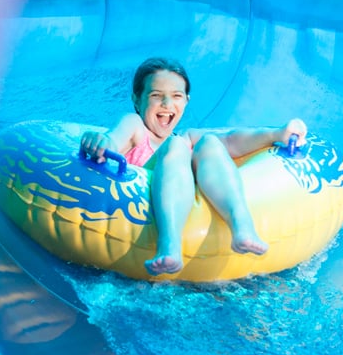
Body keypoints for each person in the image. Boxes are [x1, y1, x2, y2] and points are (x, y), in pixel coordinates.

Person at [80, 57, 307, 276]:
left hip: (183, 166)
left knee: (209, 141)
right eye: (156, 95)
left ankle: (242, 227)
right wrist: (101, 142)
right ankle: (169, 244)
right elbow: (114, 138)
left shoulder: (186, 137)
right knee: (177, 145)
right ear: (137, 99)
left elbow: (231, 139)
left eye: (176, 96)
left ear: (186, 100)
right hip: (142, 204)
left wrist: (278, 133)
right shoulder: (136, 126)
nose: (167, 104)